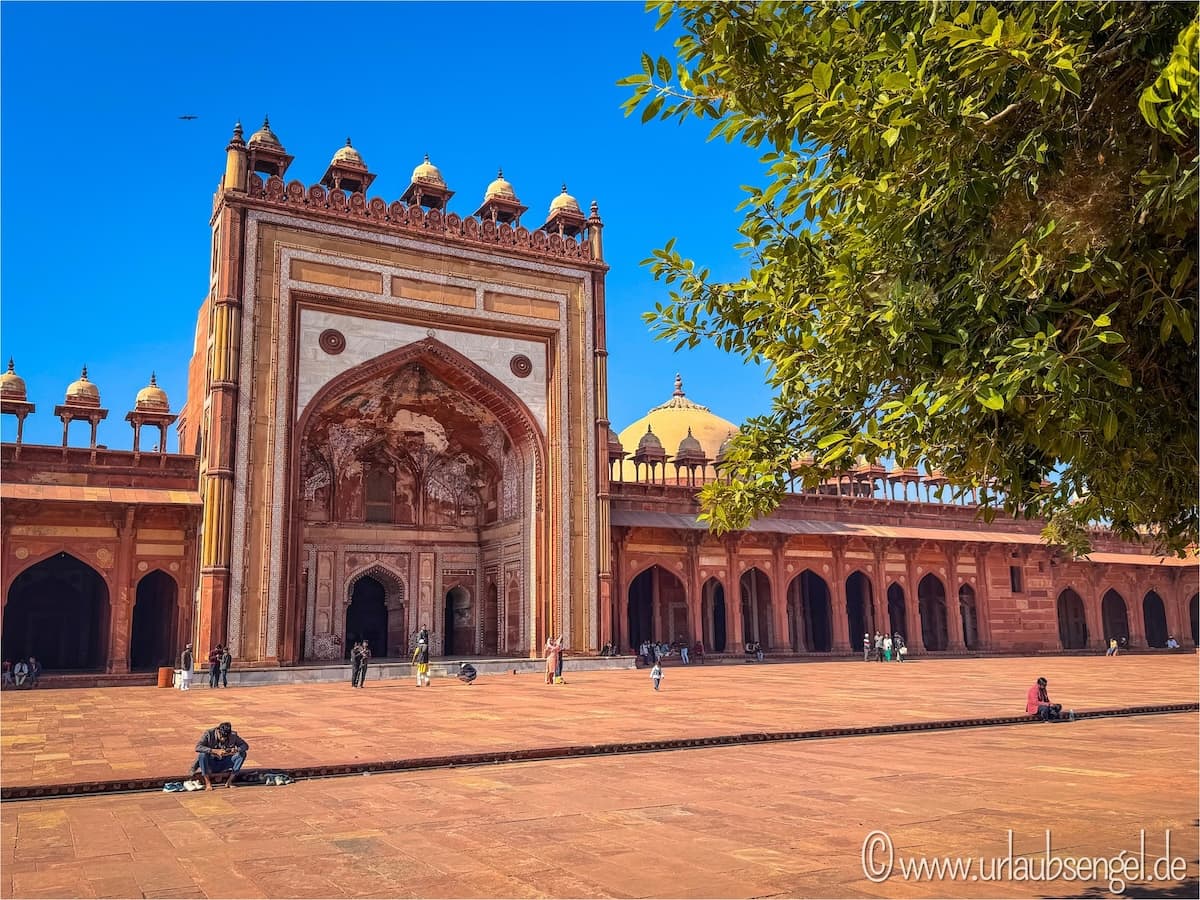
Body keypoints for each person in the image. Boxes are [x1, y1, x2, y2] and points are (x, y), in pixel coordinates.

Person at [192, 721, 249, 790]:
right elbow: (198, 747)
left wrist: (236, 750)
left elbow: (245, 746)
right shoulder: (208, 734)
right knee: (202, 755)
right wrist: (214, 751)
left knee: (242, 754)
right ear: (217, 730)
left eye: (226, 737)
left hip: (225, 761)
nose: (223, 739)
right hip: (211, 762)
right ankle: (208, 783)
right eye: (221, 736)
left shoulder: (233, 735)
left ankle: (229, 781)